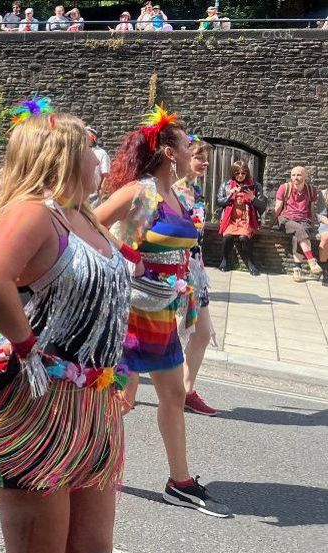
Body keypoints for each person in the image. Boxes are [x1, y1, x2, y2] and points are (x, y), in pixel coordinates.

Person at [0, 109, 132, 553]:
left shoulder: (84, 216)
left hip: (92, 405)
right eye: (90, 149)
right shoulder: (34, 213)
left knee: (90, 552)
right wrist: (27, 348)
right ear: (62, 156)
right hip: (40, 406)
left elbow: (114, 283)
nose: (98, 159)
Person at [96, 105, 231, 517]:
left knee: (172, 393)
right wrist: (127, 253)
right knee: (116, 398)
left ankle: (180, 481)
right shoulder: (142, 191)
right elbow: (89, 222)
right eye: (186, 142)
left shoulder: (178, 192)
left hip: (162, 308)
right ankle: (81, 461)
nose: (193, 147)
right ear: (170, 152)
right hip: (129, 310)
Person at [180, 140, 219, 416]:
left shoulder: (196, 190)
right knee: (156, 337)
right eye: (198, 157)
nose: (204, 162)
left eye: (206, 158)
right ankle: (123, 385)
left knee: (202, 334)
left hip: (196, 270)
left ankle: (185, 391)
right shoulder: (172, 190)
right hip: (173, 273)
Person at [215, 160, 266, 275]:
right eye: (237, 173)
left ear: (247, 173)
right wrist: (230, 194)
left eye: (243, 173)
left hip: (246, 220)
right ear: (233, 173)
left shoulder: (255, 186)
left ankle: (250, 262)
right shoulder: (226, 185)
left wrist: (252, 198)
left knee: (244, 238)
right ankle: (224, 260)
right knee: (227, 237)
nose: (240, 176)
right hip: (230, 220)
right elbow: (219, 202)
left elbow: (263, 206)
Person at [275, 166, 324, 282]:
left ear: (305, 177)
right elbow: (277, 208)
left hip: (303, 221)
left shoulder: (311, 190)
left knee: (298, 235)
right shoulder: (284, 188)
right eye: (293, 175)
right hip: (286, 220)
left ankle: (297, 270)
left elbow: (311, 209)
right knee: (300, 230)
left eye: (299, 175)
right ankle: (311, 260)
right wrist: (271, 223)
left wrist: (312, 224)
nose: (295, 177)